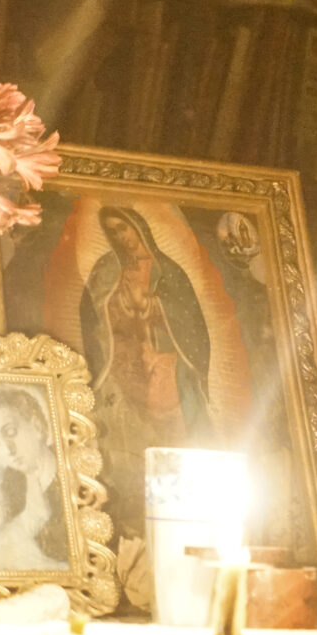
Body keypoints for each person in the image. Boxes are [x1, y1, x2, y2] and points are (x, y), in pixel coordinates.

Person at [78, 205, 213, 543]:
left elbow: (192, 324)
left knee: (175, 429)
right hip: (122, 362)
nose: (122, 237)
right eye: (114, 231)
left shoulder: (169, 272)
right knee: (117, 431)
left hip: (164, 360)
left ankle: (187, 511)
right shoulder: (107, 269)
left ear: (140, 228)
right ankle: (126, 504)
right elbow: (92, 315)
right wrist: (115, 309)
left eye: (125, 228)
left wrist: (158, 308)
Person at [0, 386, 69, 565]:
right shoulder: (7, 490)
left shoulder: (73, 469)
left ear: (36, 425)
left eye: (10, 432)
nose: (7, 449)